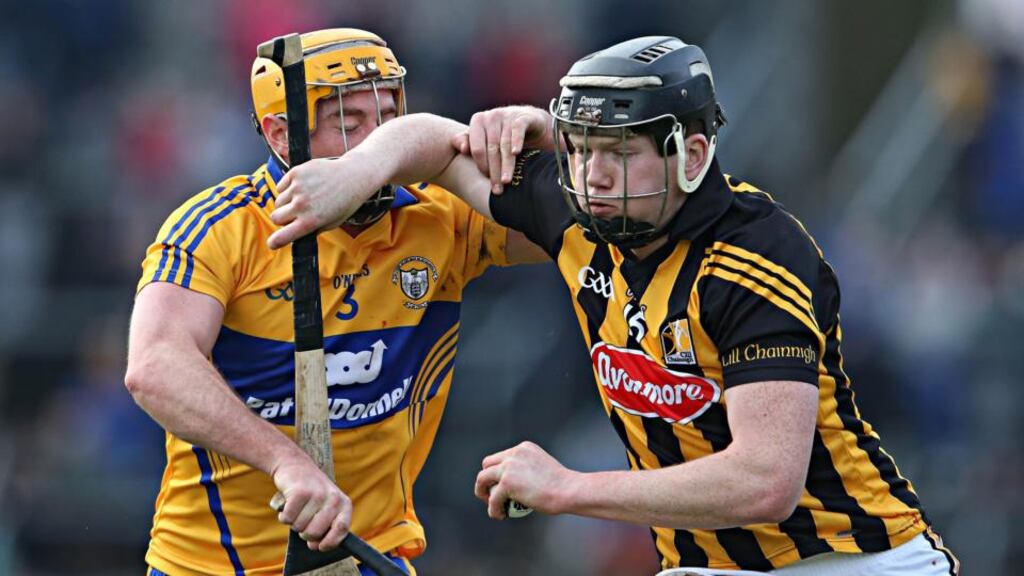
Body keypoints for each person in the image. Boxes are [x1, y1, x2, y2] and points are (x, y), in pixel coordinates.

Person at [266, 36, 961, 575]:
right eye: (580, 148)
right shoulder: (579, 212)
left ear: (690, 152)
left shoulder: (758, 258)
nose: (593, 176)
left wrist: (568, 488)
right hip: (704, 564)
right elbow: (436, 143)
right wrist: (354, 176)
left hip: (851, 559)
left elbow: (765, 482)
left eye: (620, 153)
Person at [124, 28, 543, 576]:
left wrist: (542, 129)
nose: (376, 142)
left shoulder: (440, 215)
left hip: (371, 554)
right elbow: (154, 366)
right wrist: (285, 462)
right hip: (205, 565)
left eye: (389, 118)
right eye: (349, 124)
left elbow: (584, 221)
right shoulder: (218, 227)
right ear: (280, 134)